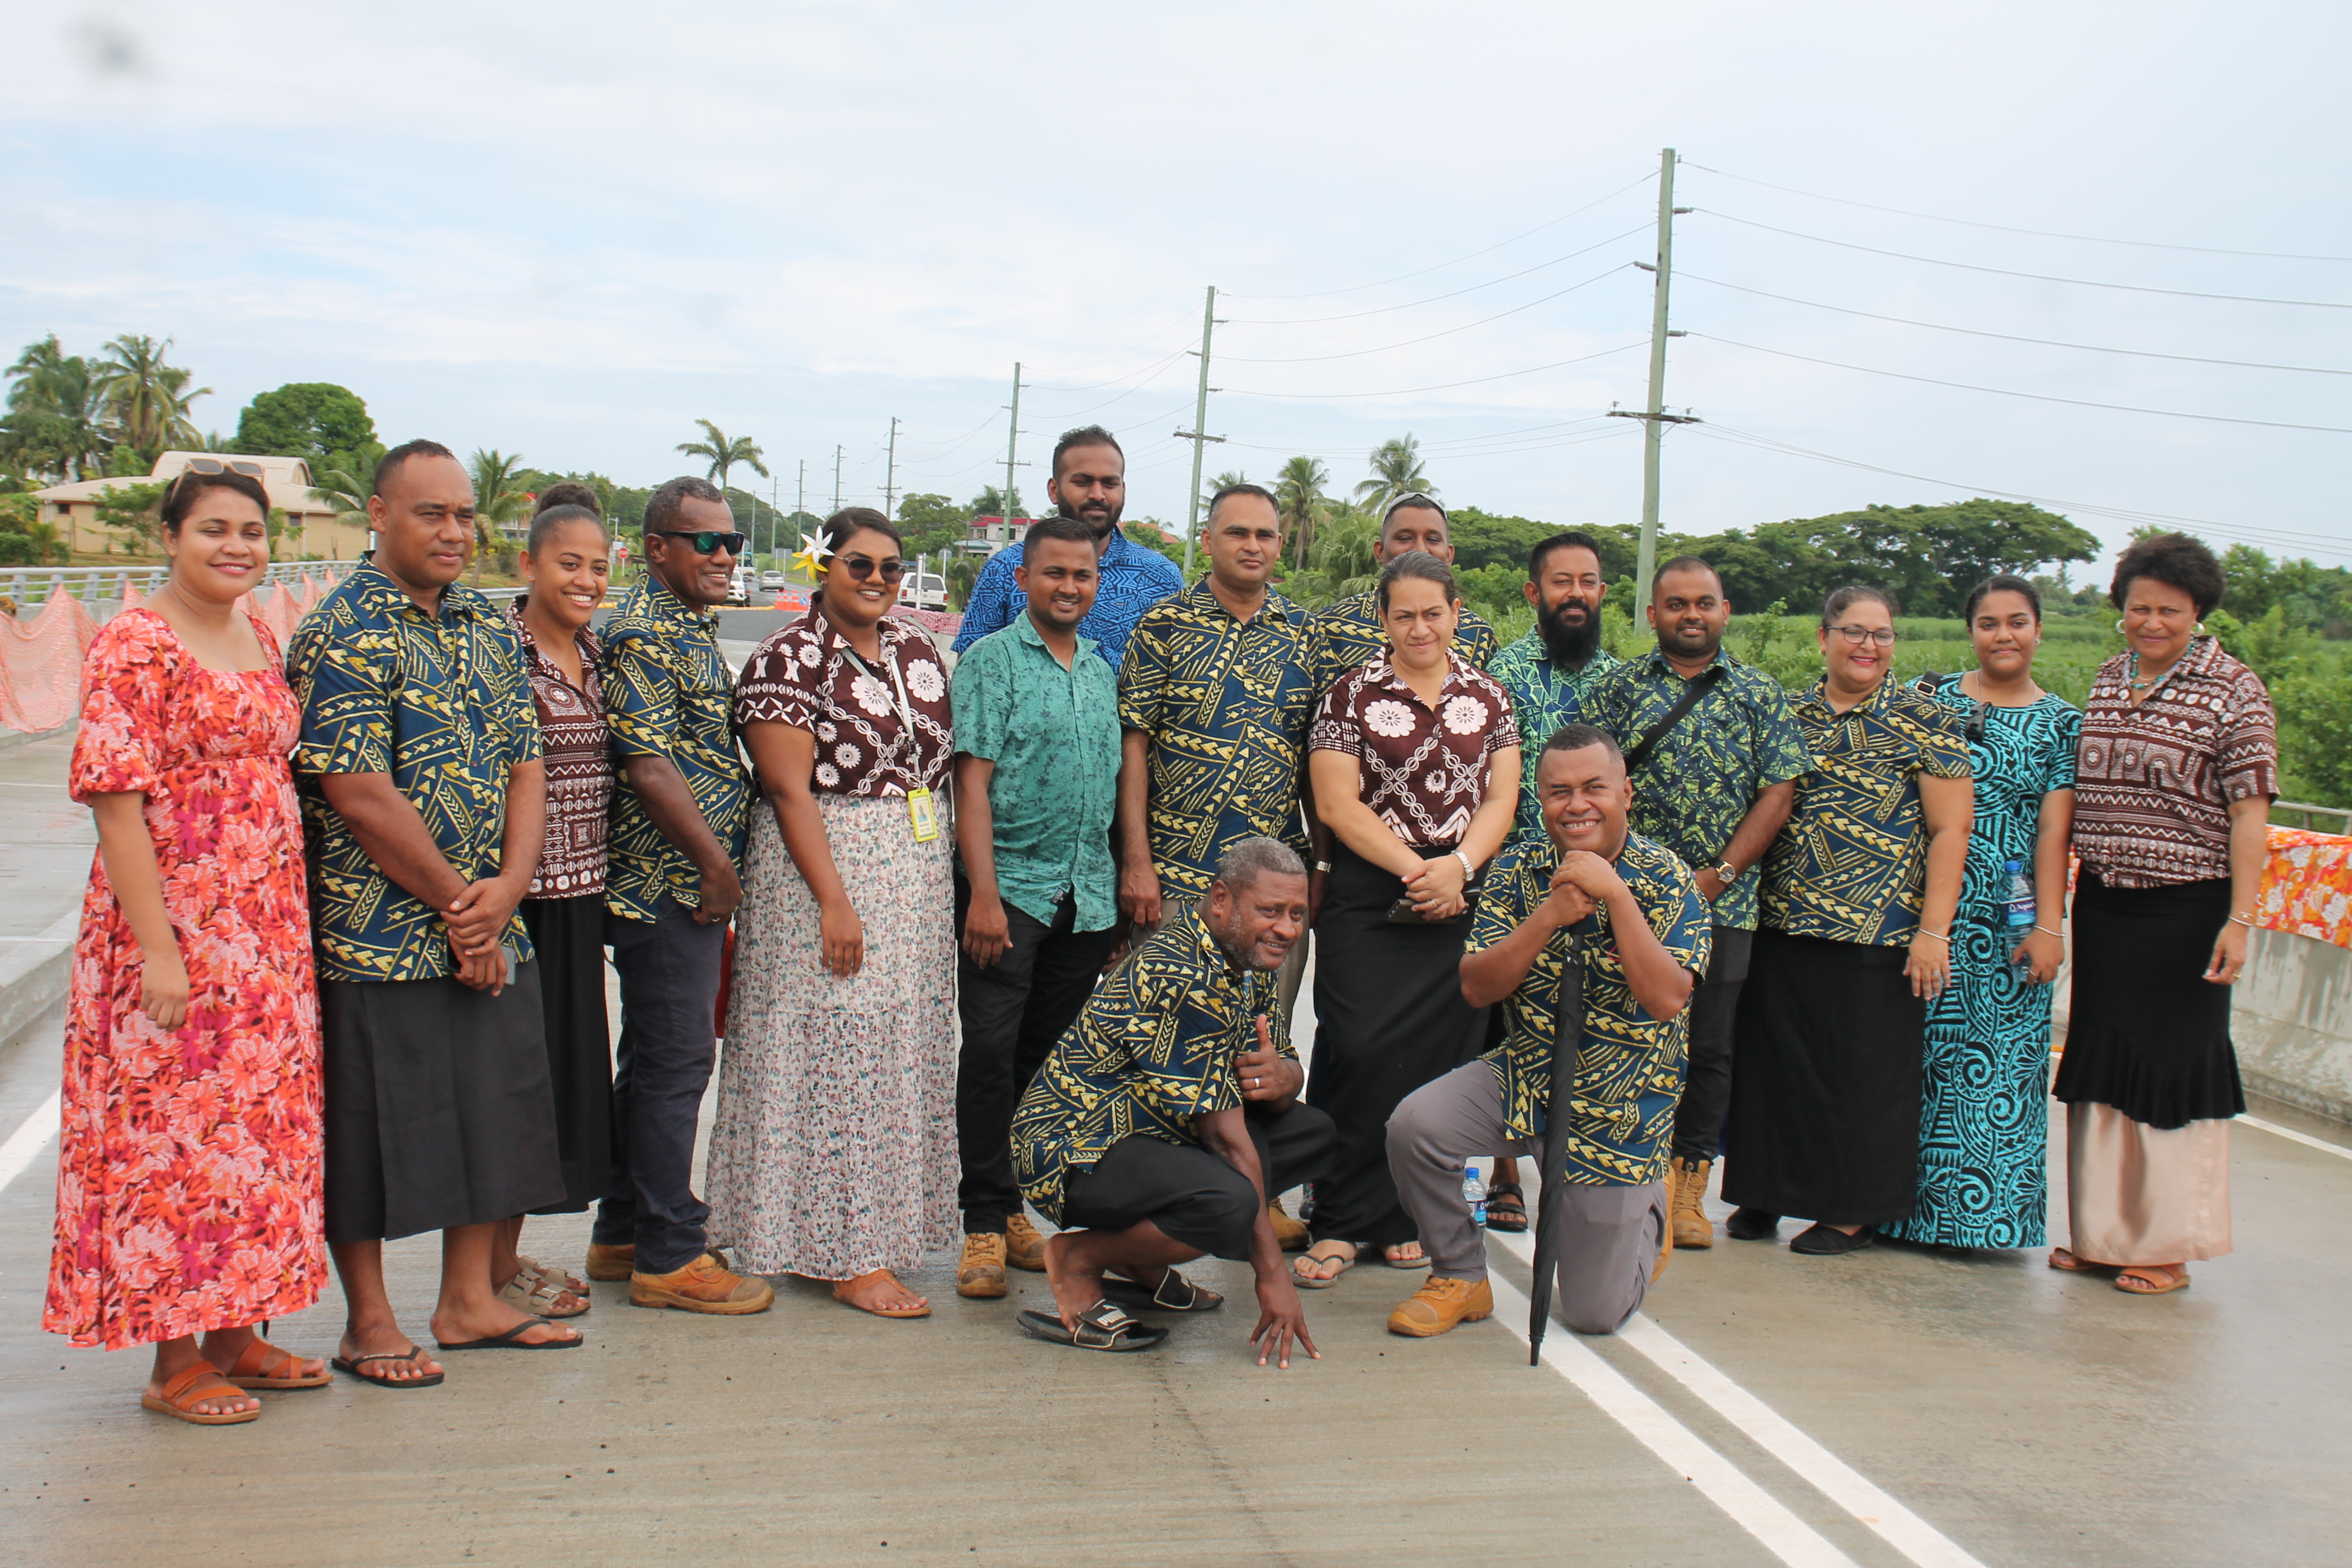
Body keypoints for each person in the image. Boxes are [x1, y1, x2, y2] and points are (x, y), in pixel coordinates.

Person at [286, 439, 579, 1386]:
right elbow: (356, 787)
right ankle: (368, 1320)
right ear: (378, 514)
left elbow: (528, 763)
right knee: (374, 1126)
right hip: (378, 932)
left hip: (493, 913)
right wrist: (465, 907)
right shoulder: (342, 632)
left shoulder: (489, 628)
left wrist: (505, 893)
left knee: (497, 1111)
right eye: (430, 513)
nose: (455, 530)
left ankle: (466, 1301)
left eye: (464, 514)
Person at [46, 465, 328, 1424]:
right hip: (174, 930)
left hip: (267, 933)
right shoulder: (136, 641)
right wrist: (160, 950)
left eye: (252, 529)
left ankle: (235, 1330)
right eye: (214, 528)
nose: (237, 546)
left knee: (254, 1134)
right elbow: (117, 807)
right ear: (170, 535)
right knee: (171, 1143)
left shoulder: (257, 629)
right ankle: (174, 1360)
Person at [710, 508, 959, 1319]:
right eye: (860, 565)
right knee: (833, 1054)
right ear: (825, 567)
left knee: (895, 1053)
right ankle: (845, 1254)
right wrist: (835, 902)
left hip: (912, 878)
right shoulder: (791, 659)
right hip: (825, 875)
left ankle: (878, 1234)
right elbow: (787, 789)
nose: (879, 580)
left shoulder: (918, 645)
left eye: (891, 566)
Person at [1384, 726, 1709, 1339]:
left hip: (1621, 1108)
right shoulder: (1516, 869)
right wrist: (1549, 915)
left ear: (1626, 792)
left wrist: (1615, 895)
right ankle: (1461, 1273)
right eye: (1559, 791)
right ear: (1541, 799)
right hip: (1528, 1073)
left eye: (1594, 788)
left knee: (1593, 1315)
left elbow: (1667, 998)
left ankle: (1647, 1202)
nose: (1577, 804)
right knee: (1415, 1127)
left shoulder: (1667, 878)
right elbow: (1478, 987)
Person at [1010, 839, 1334, 1363]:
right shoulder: (1182, 972)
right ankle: (1078, 1257)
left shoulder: (1245, 958)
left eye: (1297, 914)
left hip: (1152, 1132)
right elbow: (1226, 1141)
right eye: (1270, 911)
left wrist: (1284, 1077)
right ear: (1222, 899)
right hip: (1073, 1146)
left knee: (1310, 1134)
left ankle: (1139, 1256)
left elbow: (1283, 1066)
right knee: (1229, 1204)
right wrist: (1271, 1273)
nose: (1288, 929)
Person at [1721, 587, 1973, 1256]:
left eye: (1882, 635)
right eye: (1854, 632)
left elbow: (1951, 830)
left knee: (1862, 1075)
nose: (1868, 646)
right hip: (1785, 917)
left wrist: (1933, 930)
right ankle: (1765, 1191)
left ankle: (1851, 1210)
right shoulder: (1789, 712)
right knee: (1778, 1066)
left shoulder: (1926, 719)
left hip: (1882, 930)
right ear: (1823, 637)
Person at [2054, 534, 2274, 1295]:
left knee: (2173, 1074)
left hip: (2190, 909)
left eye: (2169, 611)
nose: (2151, 623)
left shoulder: (2234, 689)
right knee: (2105, 1067)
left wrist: (2240, 919)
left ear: (2199, 612)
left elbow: (2250, 816)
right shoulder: (2110, 678)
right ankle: (2103, 1237)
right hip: (2108, 906)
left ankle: (2167, 1246)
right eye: (2139, 608)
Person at [1293, 552, 1520, 1285]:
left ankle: (1404, 1219)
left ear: (1457, 614)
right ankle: (1338, 1221)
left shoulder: (1492, 699)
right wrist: (1418, 870)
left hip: (1461, 893)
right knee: (1357, 1052)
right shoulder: (1348, 697)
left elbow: (1500, 802)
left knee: (1434, 1066)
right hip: (1373, 893)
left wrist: (1458, 868)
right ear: (1382, 618)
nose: (1419, 628)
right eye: (1403, 614)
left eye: (1433, 613)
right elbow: (1336, 805)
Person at [1118, 482, 1326, 1243]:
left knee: (1262, 1036)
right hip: (1177, 877)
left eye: (1266, 535)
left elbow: (1315, 761)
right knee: (1171, 1041)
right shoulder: (1163, 626)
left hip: (1273, 888)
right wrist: (1136, 862)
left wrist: (1319, 872)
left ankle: (1258, 1193)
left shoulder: (1305, 635)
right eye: (1237, 532)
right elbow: (1133, 743)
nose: (1253, 545)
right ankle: (1158, 1216)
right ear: (1206, 540)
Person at [1587, 557, 1806, 1250]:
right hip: (1628, 902)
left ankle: (1687, 1187)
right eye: (1675, 604)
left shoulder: (1758, 693)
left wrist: (1720, 872)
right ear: (1651, 615)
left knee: (1708, 1047)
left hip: (1726, 906)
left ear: (1725, 610)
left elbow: (1779, 791)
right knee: (1622, 1035)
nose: (1691, 614)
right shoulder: (1618, 690)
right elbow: (1589, 785)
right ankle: (1622, 1176)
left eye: (1703, 603)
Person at [593, 476, 770, 1314]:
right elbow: (649, 763)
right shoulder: (641, 634)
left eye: (732, 542)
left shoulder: (685, 628)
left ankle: (624, 1228)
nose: (726, 556)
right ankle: (669, 1256)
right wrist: (715, 865)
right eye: (707, 541)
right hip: (667, 885)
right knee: (675, 1066)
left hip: (683, 883)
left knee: (652, 1064)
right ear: (658, 548)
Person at [949, 516, 1126, 1299]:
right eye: (1054, 573)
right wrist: (982, 894)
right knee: (989, 1056)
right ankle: (984, 1223)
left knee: (1043, 1061)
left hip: (1085, 899)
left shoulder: (1100, 669)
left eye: (1082, 576)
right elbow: (971, 785)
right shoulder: (991, 663)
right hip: (1010, 893)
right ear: (1022, 580)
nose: (1069, 587)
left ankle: (1018, 1205)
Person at [1883, 575, 2079, 1253]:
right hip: (1922, 904)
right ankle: (1891, 1209)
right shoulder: (1930, 701)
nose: (2004, 635)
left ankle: (1986, 1221)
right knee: (1919, 1059)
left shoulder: (2061, 722)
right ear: (1971, 631)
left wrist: (2048, 927)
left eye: (2017, 622)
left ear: (2038, 630)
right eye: (1990, 623)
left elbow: (2054, 833)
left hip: (2008, 908)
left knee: (2000, 1065)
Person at [494, 500, 617, 1320]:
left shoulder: (592, 652)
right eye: (569, 563)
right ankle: (486, 1271)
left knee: (553, 1094)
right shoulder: (500, 650)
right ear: (531, 565)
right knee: (505, 1091)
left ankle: (504, 1262)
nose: (585, 579)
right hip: (519, 900)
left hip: (581, 898)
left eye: (599, 566)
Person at [1478, 529, 1620, 1229]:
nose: (1576, 594)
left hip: (1600, 879)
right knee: (1506, 1023)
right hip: (1515, 873)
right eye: (1561, 582)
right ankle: (1504, 1171)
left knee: (1590, 1022)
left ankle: (1587, 1172)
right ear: (1534, 593)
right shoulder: (1500, 676)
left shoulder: (1621, 682)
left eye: (1588, 582)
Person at [950, 425, 1182, 670]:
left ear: (1123, 490)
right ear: (1054, 490)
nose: (1097, 494)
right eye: (1082, 482)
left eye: (1109, 484)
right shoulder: (1006, 569)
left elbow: (1173, 674)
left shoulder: (1161, 578)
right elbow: (972, 669)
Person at [1309, 494, 1500, 683]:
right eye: (1405, 538)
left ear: (1449, 555)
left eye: (1432, 540)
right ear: (1380, 551)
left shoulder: (1478, 636)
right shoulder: (1330, 628)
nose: (1420, 549)